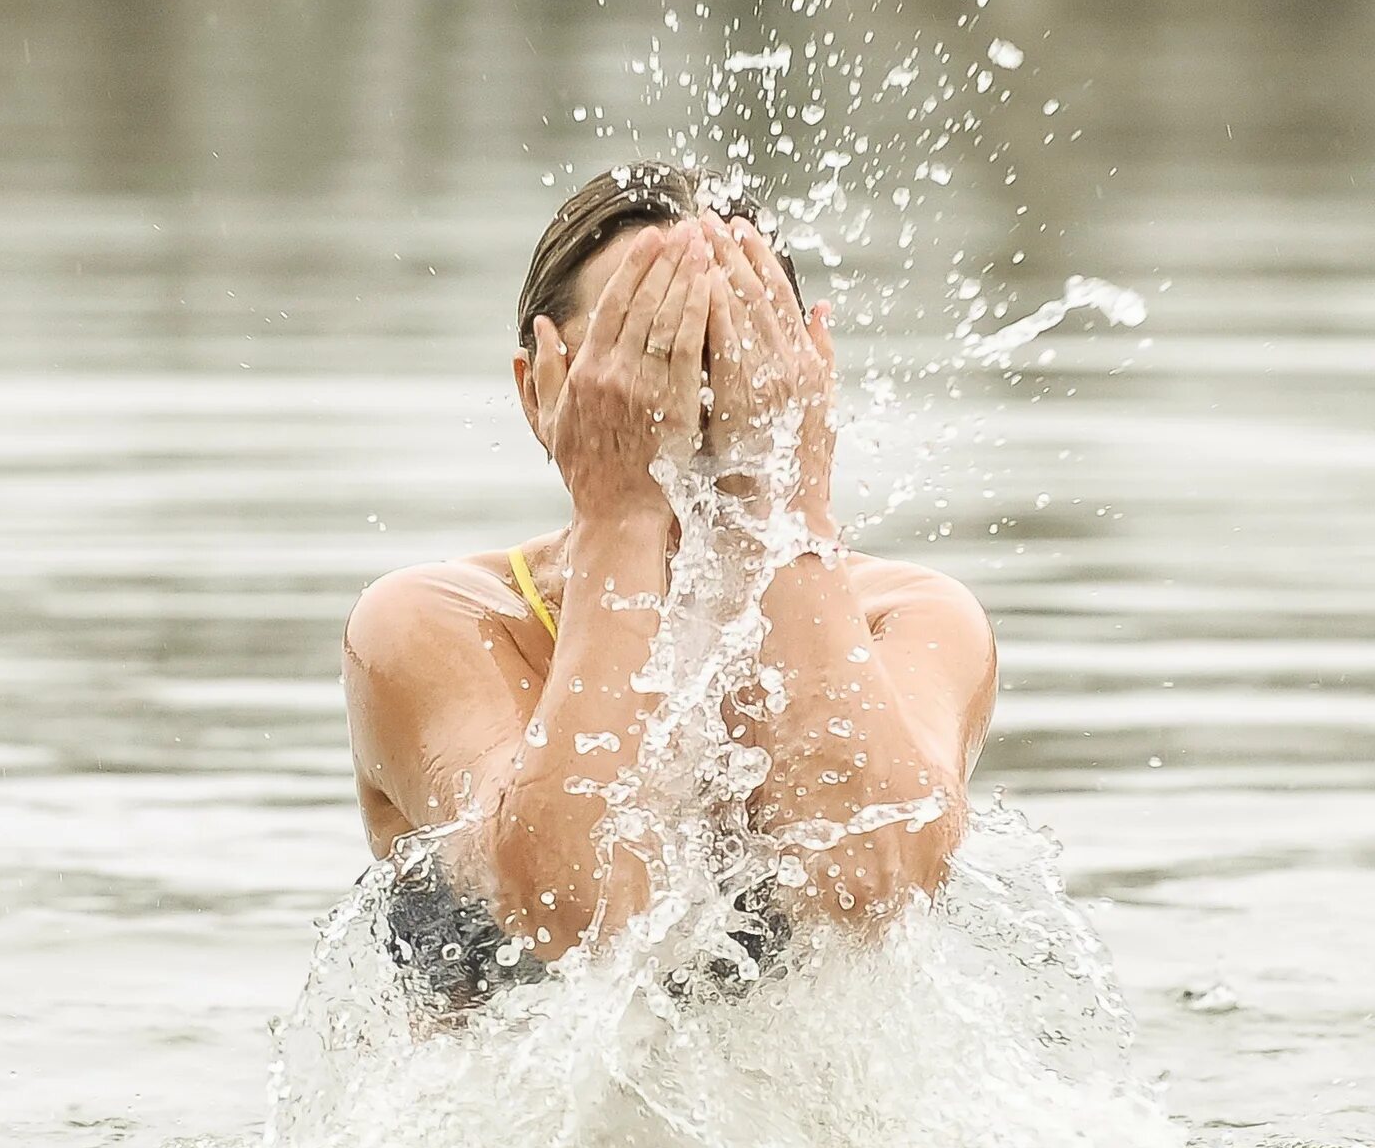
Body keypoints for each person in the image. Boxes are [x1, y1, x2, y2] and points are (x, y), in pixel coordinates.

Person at [341, 164, 998, 1003]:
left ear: (803, 373)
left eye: (731, 350)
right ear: (539, 391)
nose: (691, 397)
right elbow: (571, 908)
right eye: (644, 349)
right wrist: (622, 516)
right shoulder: (431, 625)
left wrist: (778, 495)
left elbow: (868, 888)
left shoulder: (907, 618)